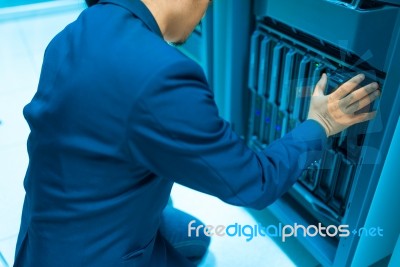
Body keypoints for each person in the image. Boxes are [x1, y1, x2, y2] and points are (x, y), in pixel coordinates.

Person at [14, 0, 380, 266]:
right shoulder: (162, 75)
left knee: (194, 236)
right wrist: (323, 124)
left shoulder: (82, 27)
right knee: (192, 243)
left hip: (45, 238)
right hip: (97, 257)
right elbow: (253, 182)